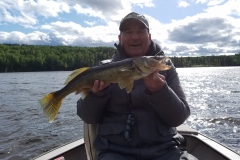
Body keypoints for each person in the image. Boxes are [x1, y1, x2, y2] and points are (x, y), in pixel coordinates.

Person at [77, 12, 198, 160]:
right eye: (128, 32)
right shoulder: (103, 69)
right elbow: (87, 117)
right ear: (120, 38)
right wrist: (96, 96)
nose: (135, 37)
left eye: (141, 31)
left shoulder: (165, 67)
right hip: (114, 152)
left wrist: (160, 91)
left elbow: (179, 118)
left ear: (149, 37)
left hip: (165, 150)